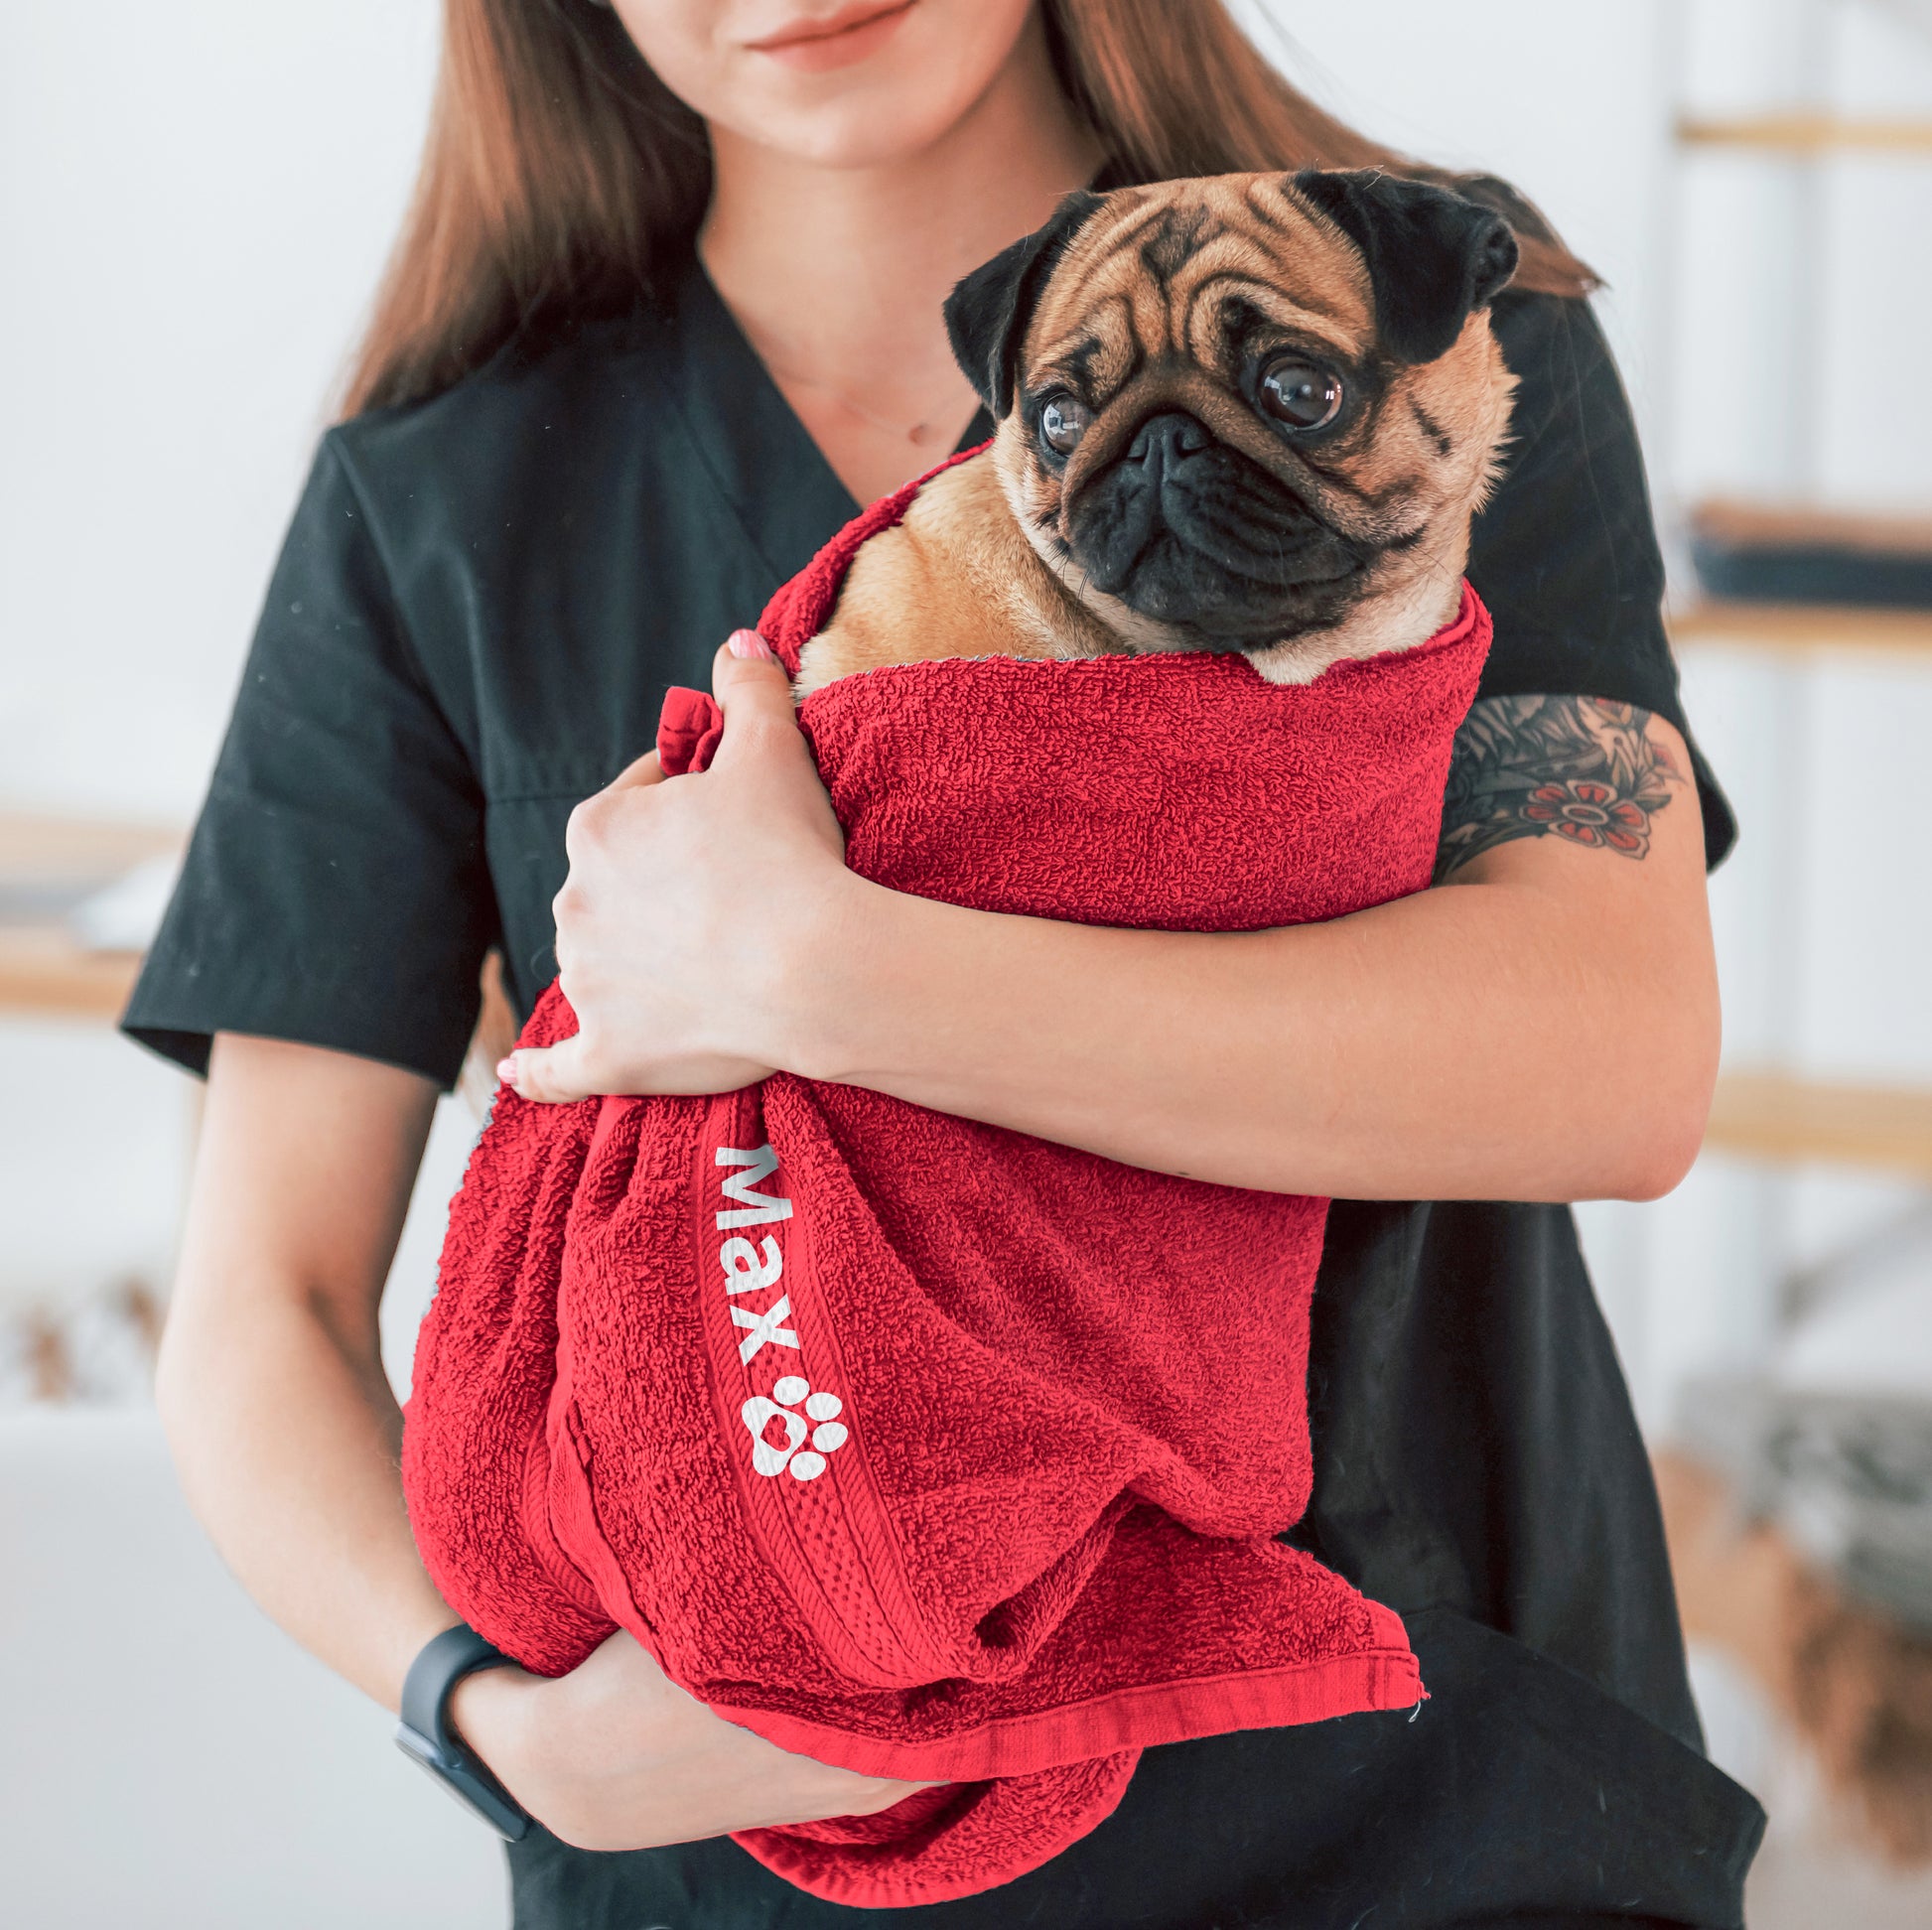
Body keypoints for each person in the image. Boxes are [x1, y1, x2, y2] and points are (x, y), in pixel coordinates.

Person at [124, 2, 1766, 1924]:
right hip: (749, 1852)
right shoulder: (443, 501)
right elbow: (260, 1309)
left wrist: (819, 969)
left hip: (1428, 1804)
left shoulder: (1424, 308)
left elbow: (1611, 1059)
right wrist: (499, 1724)